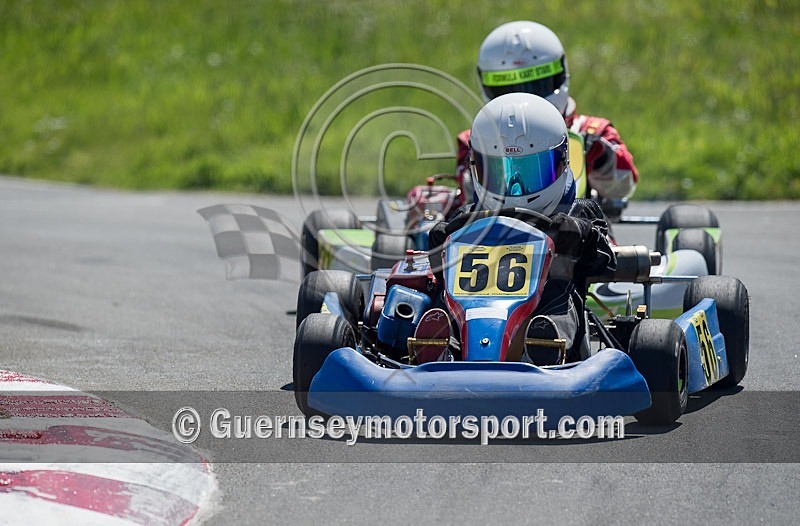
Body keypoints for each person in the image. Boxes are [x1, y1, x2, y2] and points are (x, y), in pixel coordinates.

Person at [429, 93, 616, 365]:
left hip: (550, 312)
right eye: (501, 172)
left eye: (531, 172)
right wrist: (440, 243)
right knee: (442, 298)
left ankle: (546, 346)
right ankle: (439, 342)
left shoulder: (578, 213)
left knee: (557, 301)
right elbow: (434, 268)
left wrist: (580, 237)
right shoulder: (466, 218)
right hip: (470, 314)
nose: (516, 190)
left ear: (562, 162)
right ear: (477, 167)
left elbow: (606, 264)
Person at [455, 20, 638, 220]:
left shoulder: (591, 132)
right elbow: (468, 197)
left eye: (535, 84)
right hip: (497, 234)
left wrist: (602, 159)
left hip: (581, 232)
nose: (523, 104)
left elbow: (623, 185)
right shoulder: (477, 139)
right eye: (509, 88)